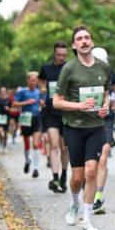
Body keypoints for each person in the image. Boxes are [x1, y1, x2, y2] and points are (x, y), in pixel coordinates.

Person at [53, 26, 112, 230]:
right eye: (80, 39)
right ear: (74, 45)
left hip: (96, 127)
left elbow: (105, 94)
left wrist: (106, 105)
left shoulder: (104, 68)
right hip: (74, 128)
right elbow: (56, 101)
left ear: (92, 42)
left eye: (87, 37)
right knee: (77, 177)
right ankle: (73, 203)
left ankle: (87, 222)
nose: (84, 41)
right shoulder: (69, 69)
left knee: (91, 171)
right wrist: (80, 106)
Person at [39, 42, 70, 193]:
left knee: (65, 149)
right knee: (54, 145)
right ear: (54, 53)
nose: (62, 58)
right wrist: (42, 93)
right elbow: (42, 83)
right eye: (59, 55)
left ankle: (64, 176)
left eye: (64, 55)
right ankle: (55, 177)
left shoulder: (70, 68)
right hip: (50, 112)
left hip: (66, 112)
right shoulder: (46, 68)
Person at [91, 47, 115, 215]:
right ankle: (88, 193)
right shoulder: (79, 74)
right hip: (86, 119)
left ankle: (98, 197)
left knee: (104, 154)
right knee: (89, 164)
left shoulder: (109, 72)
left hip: (106, 117)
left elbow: (114, 87)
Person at [13, 73, 42, 177]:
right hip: (25, 118)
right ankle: (27, 160)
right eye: (31, 80)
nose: (33, 82)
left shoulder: (39, 92)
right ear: (27, 81)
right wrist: (26, 102)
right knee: (27, 145)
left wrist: (42, 103)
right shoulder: (22, 91)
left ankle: (35, 168)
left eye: (35, 80)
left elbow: (42, 102)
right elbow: (14, 104)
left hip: (36, 118)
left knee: (35, 144)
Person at [0, 86, 11, 152]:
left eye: (4, 91)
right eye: (1, 91)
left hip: (6, 117)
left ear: (6, 92)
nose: (3, 92)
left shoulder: (8, 99)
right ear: (0, 92)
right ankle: (1, 143)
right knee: (0, 131)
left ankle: (4, 146)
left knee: (5, 133)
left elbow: (12, 108)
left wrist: (8, 109)